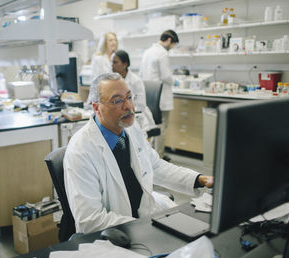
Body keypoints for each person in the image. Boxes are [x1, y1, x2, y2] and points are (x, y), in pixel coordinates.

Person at [64, 73, 213, 234]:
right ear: (96, 108)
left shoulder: (131, 129)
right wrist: (143, 228)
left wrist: (199, 180)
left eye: (129, 97)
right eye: (117, 101)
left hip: (144, 219)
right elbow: (90, 220)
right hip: (115, 236)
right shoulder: (81, 150)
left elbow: (156, 167)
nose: (128, 106)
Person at [139, 30, 179, 160]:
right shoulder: (162, 53)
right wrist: (176, 81)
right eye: (172, 45)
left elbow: (141, 73)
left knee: (150, 127)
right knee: (161, 128)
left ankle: (151, 157)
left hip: (149, 96)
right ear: (168, 40)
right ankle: (159, 158)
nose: (171, 48)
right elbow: (166, 76)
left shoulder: (147, 52)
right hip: (161, 98)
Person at [111, 49, 155, 134]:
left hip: (137, 117)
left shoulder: (136, 81)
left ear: (125, 64)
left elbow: (140, 106)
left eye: (115, 62)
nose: (111, 65)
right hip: (120, 116)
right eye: (111, 62)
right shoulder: (113, 80)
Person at [86, 32, 118, 103]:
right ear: (105, 43)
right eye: (110, 40)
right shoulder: (98, 58)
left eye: (115, 40)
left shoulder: (117, 58)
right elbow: (95, 79)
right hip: (101, 94)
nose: (114, 42)